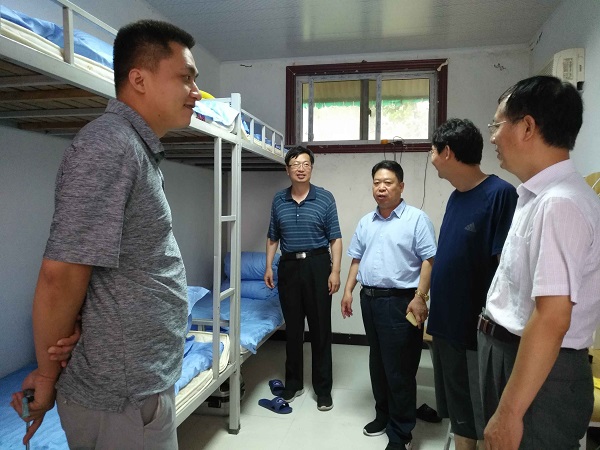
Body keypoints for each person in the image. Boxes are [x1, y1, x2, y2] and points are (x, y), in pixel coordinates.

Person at [10, 20, 200, 449]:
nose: (196, 91)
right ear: (139, 79)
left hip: (137, 384)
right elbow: (60, 275)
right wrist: (46, 375)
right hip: (122, 396)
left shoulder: (133, 148)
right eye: (186, 77)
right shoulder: (109, 146)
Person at [478, 75, 600, 450]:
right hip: (515, 357)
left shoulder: (560, 203)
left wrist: (508, 413)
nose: (493, 137)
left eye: (497, 125)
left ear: (527, 127)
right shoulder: (536, 196)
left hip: (540, 373)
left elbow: (552, 318)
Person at [428, 119, 517, 450]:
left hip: (473, 332)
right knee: (459, 412)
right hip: (445, 324)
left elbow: (505, 270)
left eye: (433, 150)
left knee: (479, 416)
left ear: (447, 152)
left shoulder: (500, 195)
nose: (431, 157)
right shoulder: (456, 197)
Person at [341, 160, 436, 450]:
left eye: (388, 183)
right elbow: (356, 258)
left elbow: (429, 260)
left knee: (400, 368)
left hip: (401, 302)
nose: (381, 188)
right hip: (369, 300)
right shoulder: (366, 221)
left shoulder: (416, 219)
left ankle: (402, 433)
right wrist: (348, 291)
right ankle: (383, 414)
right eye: (377, 183)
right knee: (378, 362)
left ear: (401, 186)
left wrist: (420, 298)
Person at [264, 145, 342, 411]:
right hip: (288, 266)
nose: (301, 168)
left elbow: (335, 238)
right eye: (295, 164)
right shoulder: (279, 200)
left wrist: (335, 271)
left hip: (318, 265)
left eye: (305, 164)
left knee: (320, 329)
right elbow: (273, 236)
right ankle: (294, 383)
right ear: (287, 170)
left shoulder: (325, 198)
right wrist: (268, 266)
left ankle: (323, 389)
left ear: (311, 168)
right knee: (294, 330)